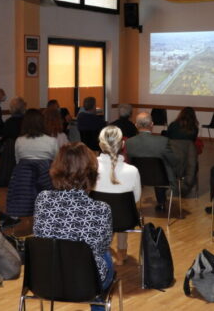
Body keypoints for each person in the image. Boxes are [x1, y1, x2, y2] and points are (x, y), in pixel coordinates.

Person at [34, 142, 113, 311]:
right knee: (104, 255)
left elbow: (40, 235)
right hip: (85, 284)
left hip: (45, 280)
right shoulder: (100, 209)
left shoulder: (42, 200)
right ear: (91, 172)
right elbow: (102, 246)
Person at [94, 126, 141, 265]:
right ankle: (122, 251)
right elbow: (135, 198)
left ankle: (103, 249)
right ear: (123, 144)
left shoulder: (91, 167)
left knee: (107, 211)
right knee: (120, 209)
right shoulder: (132, 171)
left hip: (97, 219)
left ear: (100, 144)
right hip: (125, 220)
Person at [126, 112, 178, 211]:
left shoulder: (129, 143)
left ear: (136, 125)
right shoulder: (162, 141)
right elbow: (173, 161)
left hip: (138, 178)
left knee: (157, 168)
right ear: (152, 124)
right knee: (162, 168)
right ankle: (162, 203)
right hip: (161, 179)